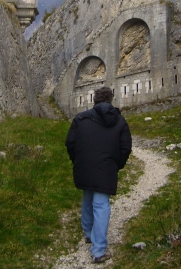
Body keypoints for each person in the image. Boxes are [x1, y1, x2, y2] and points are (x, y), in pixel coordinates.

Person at [65, 86, 132, 264]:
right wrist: (116, 165)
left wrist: (77, 160)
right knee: (101, 204)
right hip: (106, 168)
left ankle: (88, 234)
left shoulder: (80, 118)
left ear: (94, 100)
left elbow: (70, 142)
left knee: (87, 197)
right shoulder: (120, 121)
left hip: (84, 166)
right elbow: (126, 147)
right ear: (111, 100)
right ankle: (99, 250)